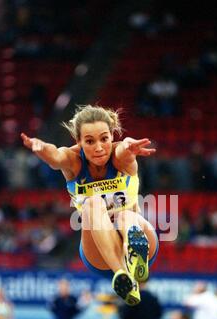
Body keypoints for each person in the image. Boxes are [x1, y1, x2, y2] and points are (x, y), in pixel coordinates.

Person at [21, 105, 159, 306]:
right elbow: (56, 156)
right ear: (78, 142)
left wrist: (129, 147)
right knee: (92, 203)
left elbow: (124, 148)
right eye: (90, 141)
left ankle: (134, 257)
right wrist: (41, 148)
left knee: (125, 217)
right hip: (100, 254)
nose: (99, 147)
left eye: (104, 139)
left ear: (112, 135)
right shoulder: (74, 161)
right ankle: (122, 274)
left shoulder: (121, 155)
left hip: (137, 234)